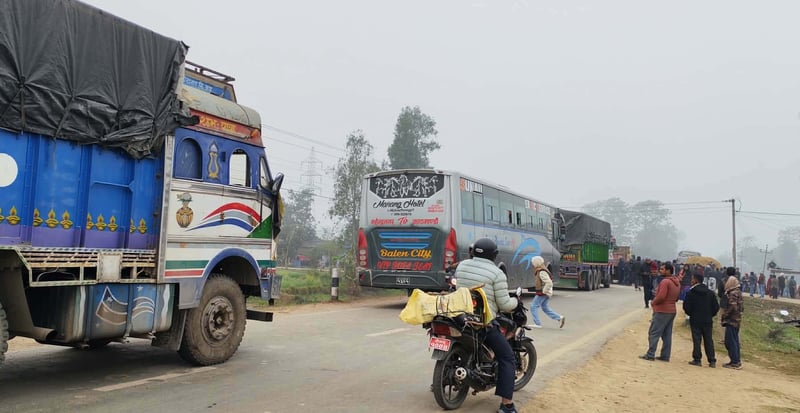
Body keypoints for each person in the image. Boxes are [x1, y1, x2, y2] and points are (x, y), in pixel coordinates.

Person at [454, 238, 520, 413]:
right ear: (495, 255)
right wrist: (516, 301)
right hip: (480, 322)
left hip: (458, 317)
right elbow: (505, 305)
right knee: (507, 357)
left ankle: (441, 379)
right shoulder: (497, 273)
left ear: (473, 251)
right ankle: (507, 405)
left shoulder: (462, 266)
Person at [639, 262, 680, 362]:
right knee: (667, 334)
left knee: (654, 332)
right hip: (671, 310)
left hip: (662, 310)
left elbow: (661, 296)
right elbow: (676, 298)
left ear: (668, 271)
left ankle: (650, 354)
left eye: (662, 269)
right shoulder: (676, 282)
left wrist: (653, 302)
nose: (660, 271)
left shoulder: (665, 282)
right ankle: (665, 355)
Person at [683, 272, 719, 367]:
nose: (691, 281)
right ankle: (712, 360)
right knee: (708, 340)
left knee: (696, 339)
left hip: (695, 319)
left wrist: (691, 314)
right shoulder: (710, 293)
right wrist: (710, 314)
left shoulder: (691, 293)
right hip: (707, 320)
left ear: (695, 280)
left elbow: (686, 307)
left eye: (692, 279)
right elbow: (716, 307)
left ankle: (697, 359)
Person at [527, 256, 565, 329]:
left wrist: (544, 291)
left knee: (533, 306)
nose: (532, 264)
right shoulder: (542, 270)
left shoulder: (541, 272)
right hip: (546, 292)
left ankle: (537, 323)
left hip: (542, 293)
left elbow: (549, 283)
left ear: (536, 263)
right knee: (545, 308)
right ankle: (559, 318)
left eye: (533, 262)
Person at [720, 267, 744, 369]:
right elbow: (741, 307)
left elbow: (732, 307)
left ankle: (734, 361)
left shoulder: (733, 293)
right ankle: (736, 360)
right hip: (737, 320)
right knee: (734, 341)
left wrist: (725, 315)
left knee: (730, 341)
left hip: (731, 320)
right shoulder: (739, 292)